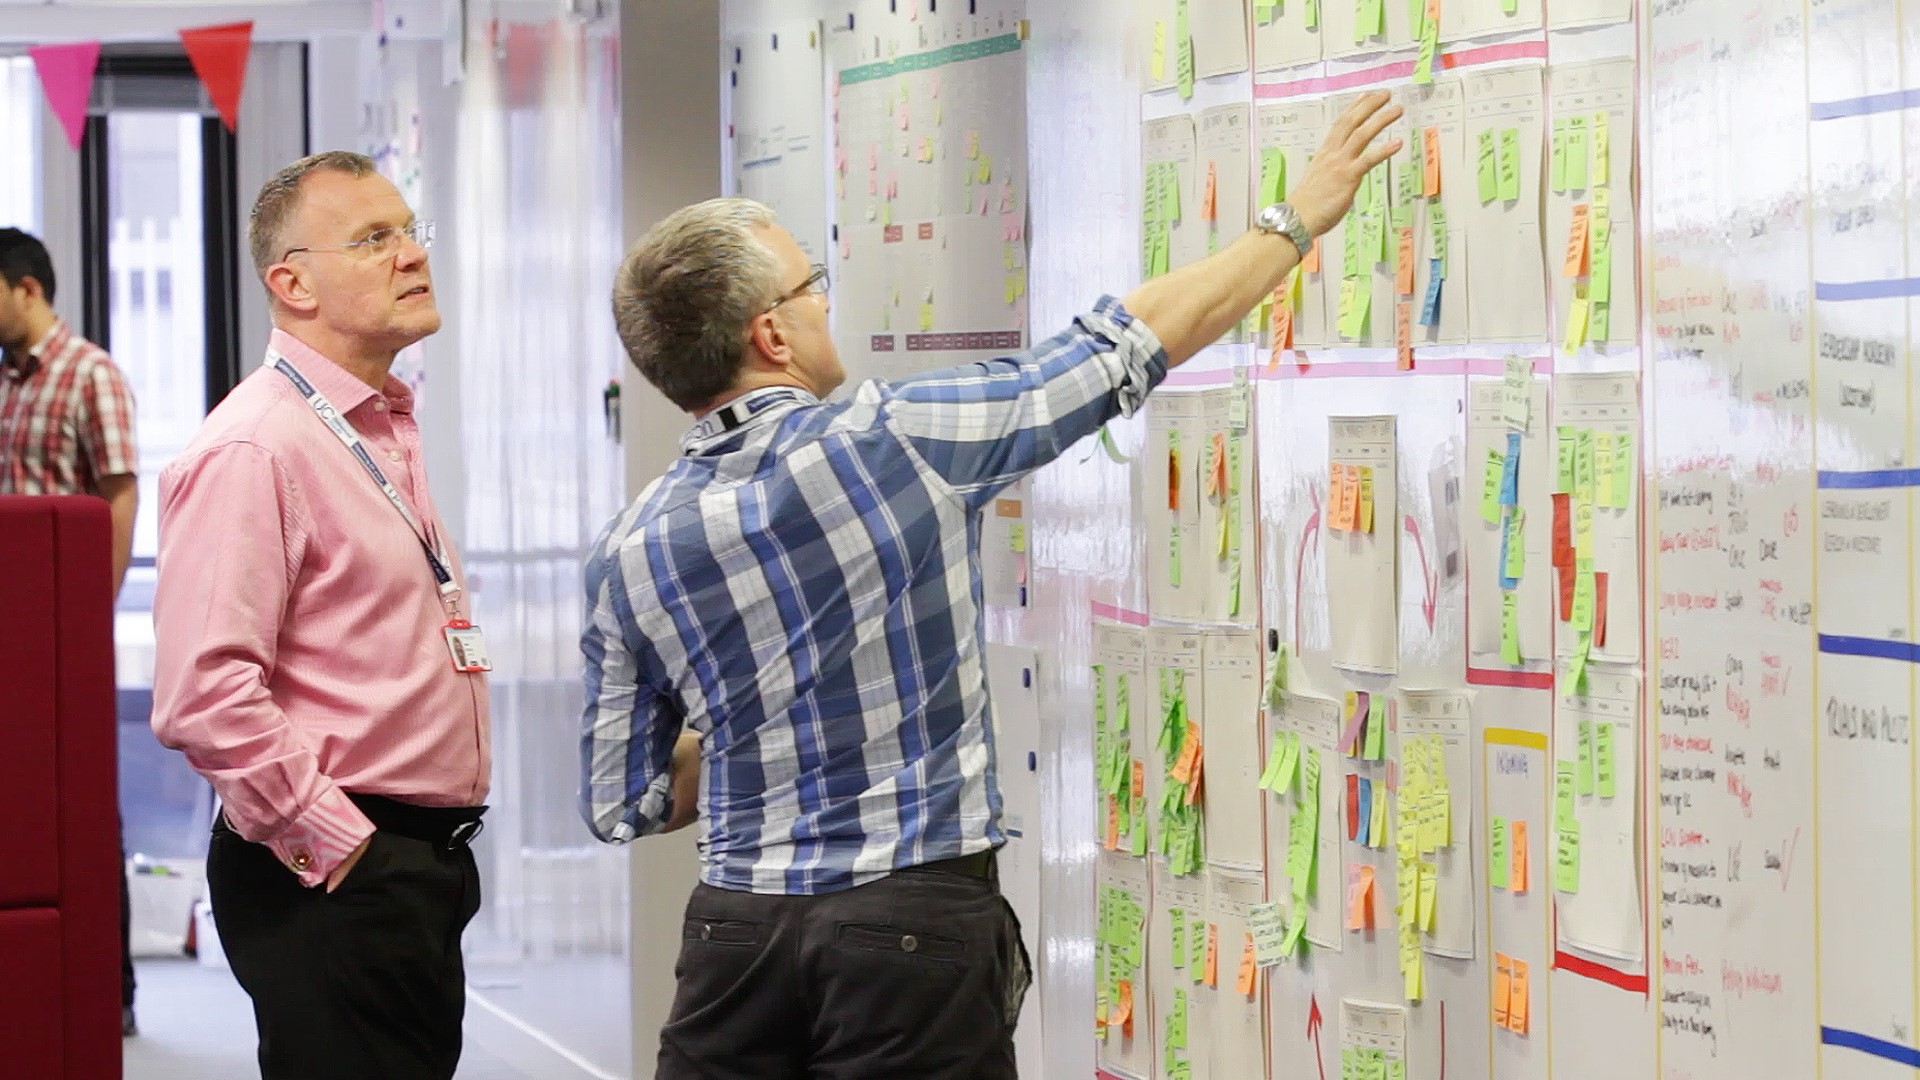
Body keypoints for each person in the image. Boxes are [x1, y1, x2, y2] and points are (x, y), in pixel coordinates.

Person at [581, 91, 1405, 1077]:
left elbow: (622, 802)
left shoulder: (629, 546)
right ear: (772, 336)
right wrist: (1296, 217)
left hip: (731, 945)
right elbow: (1126, 346)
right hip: (908, 931)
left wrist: (749, 704)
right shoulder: (898, 442)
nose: (824, 301)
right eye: (812, 286)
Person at [149, 151, 490, 1080]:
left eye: (411, 230)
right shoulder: (257, 445)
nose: (411, 255)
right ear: (290, 282)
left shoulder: (380, 424)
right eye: (375, 238)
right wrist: (342, 849)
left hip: (410, 868)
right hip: (334, 872)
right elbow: (203, 694)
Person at [0, 227, 141, 1036]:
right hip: (17, 632)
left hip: (69, 627)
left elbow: (119, 493)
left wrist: (95, 603)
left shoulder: (91, 375)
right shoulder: (11, 384)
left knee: (88, 808)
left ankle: (110, 989)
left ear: (27, 288)